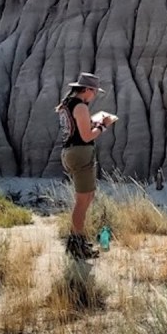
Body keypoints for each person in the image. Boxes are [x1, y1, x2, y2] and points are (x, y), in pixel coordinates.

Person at [57, 72, 113, 259]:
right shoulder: (80, 107)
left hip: (72, 152)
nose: (95, 95)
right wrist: (103, 126)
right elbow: (87, 136)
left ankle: (78, 241)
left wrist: (92, 122)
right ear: (87, 90)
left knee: (87, 197)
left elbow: (77, 130)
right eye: (95, 91)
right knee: (82, 202)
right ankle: (77, 244)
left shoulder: (67, 105)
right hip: (80, 153)